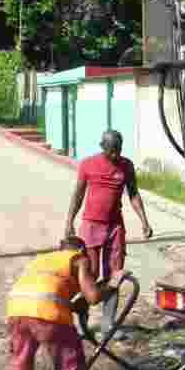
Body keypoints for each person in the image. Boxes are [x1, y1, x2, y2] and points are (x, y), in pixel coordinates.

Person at [4, 236, 125, 370]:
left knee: (20, 362)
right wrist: (112, 285)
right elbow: (92, 296)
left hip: (16, 311)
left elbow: (48, 290)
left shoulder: (41, 260)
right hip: (47, 315)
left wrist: (74, 305)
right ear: (81, 251)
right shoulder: (79, 259)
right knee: (71, 363)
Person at [65, 129, 152, 341]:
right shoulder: (88, 164)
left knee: (116, 275)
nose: (115, 155)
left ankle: (107, 324)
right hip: (91, 227)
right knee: (89, 276)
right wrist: (69, 221)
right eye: (112, 151)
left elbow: (133, 193)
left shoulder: (126, 166)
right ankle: (81, 324)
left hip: (115, 228)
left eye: (119, 150)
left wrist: (144, 221)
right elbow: (78, 194)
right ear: (102, 147)